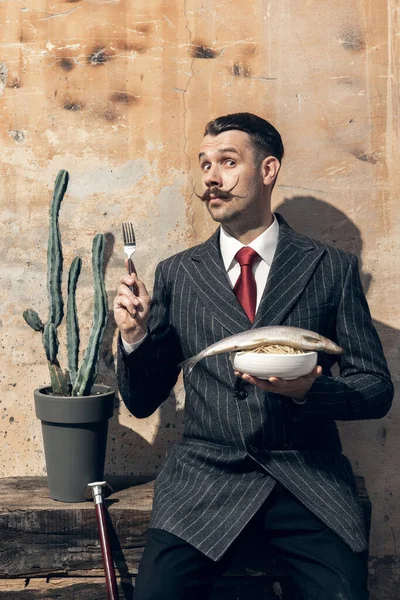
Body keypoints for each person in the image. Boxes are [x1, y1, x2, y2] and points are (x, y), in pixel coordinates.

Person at [114, 113, 393, 599]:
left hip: (309, 480)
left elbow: (376, 390)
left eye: (227, 161)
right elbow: (141, 400)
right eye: (205, 165)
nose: (211, 179)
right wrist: (135, 337)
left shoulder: (330, 268)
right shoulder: (179, 272)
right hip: (205, 478)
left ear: (268, 170)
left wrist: (313, 390)